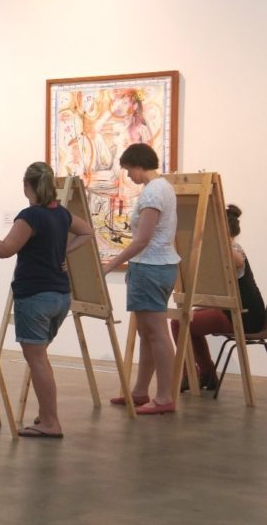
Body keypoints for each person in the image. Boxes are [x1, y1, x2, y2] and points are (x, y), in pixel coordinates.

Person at [0, 162, 94, 437]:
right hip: (60, 296)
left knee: (37, 360)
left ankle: (51, 422)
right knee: (41, 359)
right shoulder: (60, 214)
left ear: (29, 186)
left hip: (36, 297)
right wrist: (64, 253)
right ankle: (47, 416)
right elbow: (88, 232)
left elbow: (4, 250)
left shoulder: (31, 216)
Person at [102, 142, 180, 414]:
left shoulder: (153, 193)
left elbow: (142, 240)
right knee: (148, 333)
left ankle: (163, 397)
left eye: (128, 170)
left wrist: (109, 266)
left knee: (156, 333)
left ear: (137, 164)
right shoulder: (163, 187)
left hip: (150, 267)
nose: (128, 177)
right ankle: (140, 391)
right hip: (158, 266)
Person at [171, 205, 264, 392]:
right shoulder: (227, 248)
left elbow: (238, 261)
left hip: (245, 317)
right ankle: (205, 373)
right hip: (244, 312)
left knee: (178, 323)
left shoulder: (232, 248)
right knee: (187, 318)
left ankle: (195, 374)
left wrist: (218, 239)